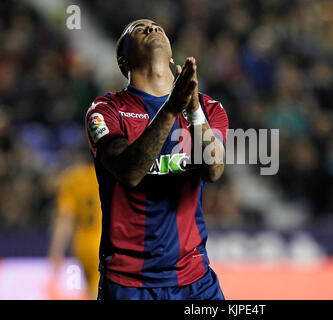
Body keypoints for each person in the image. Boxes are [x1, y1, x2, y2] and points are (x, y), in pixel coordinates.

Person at [84, 19, 229, 300]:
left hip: (195, 280)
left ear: (172, 55)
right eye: (138, 29)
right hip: (129, 284)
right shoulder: (106, 111)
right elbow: (129, 172)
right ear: (123, 60)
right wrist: (172, 109)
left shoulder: (208, 108)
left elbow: (214, 170)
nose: (151, 28)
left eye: (155, 26)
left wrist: (194, 113)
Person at [48, 160, 102, 299]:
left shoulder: (74, 178)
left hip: (82, 244)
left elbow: (65, 218)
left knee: (92, 291)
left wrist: (56, 250)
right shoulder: (111, 174)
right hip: (104, 242)